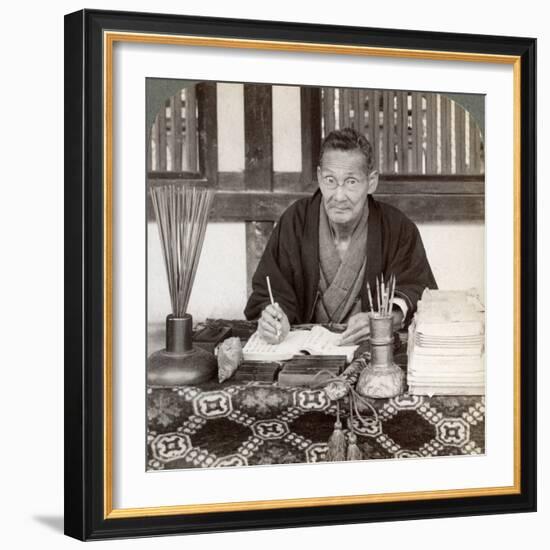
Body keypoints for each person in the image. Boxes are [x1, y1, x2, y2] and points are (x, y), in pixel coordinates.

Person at [244, 128, 437, 345]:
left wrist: (386, 320)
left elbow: (419, 291)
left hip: (371, 355)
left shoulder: (396, 227)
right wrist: (274, 319)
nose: (339, 195)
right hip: (304, 357)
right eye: (330, 180)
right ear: (318, 177)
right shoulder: (296, 221)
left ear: (371, 182)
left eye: (351, 182)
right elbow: (269, 289)